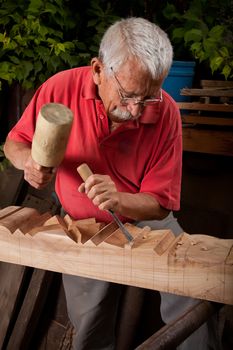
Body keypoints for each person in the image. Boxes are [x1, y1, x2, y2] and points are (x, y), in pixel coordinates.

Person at [4, 17, 218, 350]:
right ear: (98, 70)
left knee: (191, 296)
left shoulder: (166, 113)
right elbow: (15, 142)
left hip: (146, 218)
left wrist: (119, 198)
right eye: (128, 95)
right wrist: (28, 163)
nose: (135, 110)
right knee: (89, 325)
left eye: (147, 97)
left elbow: (161, 202)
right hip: (83, 221)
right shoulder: (60, 88)